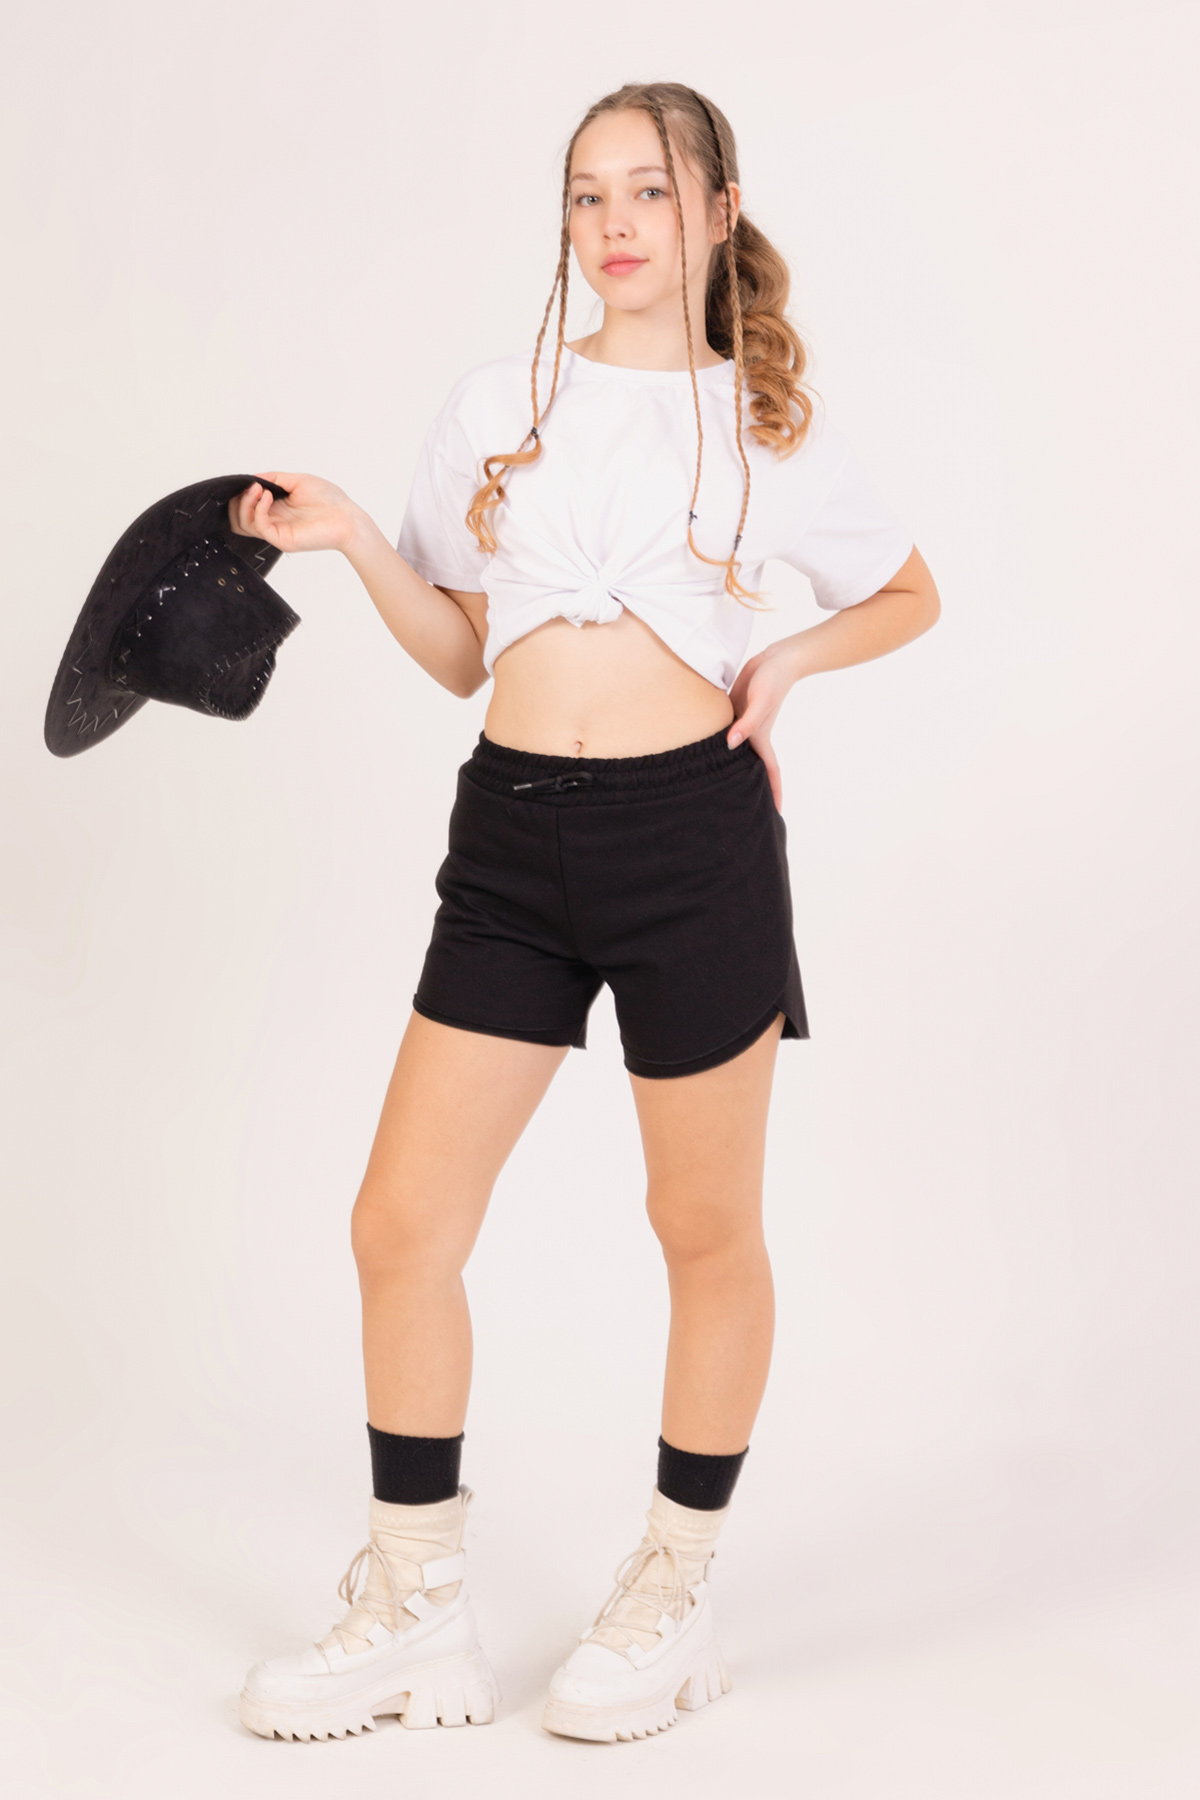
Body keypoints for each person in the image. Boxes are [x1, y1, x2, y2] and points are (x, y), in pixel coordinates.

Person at [231, 81, 940, 1746]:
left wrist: (783, 661)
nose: (614, 224)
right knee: (401, 1222)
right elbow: (462, 656)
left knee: (701, 1230)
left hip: (692, 843)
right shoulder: (501, 403)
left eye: (650, 190)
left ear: (717, 211)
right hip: (509, 842)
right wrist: (355, 541)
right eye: (586, 195)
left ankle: (673, 1588)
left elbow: (912, 593)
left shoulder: (765, 426)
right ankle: (415, 1605)